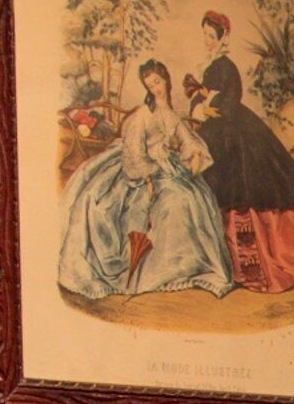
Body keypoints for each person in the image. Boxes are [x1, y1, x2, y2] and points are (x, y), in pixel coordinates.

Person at [55, 60, 232, 301]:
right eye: (150, 86)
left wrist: (194, 155)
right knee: (172, 203)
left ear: (166, 79)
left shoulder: (170, 114)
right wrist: (149, 178)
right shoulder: (142, 115)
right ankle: (158, 273)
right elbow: (134, 154)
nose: (156, 89)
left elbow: (187, 139)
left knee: (191, 197)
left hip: (168, 169)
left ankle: (189, 267)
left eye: (158, 82)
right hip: (142, 172)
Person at [187, 9, 294, 292]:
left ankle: (250, 265)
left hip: (233, 132)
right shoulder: (210, 65)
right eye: (205, 35)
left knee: (242, 188)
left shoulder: (227, 66)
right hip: (215, 131)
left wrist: (208, 107)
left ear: (223, 37)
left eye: (211, 36)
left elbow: (230, 100)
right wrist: (200, 105)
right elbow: (198, 98)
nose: (207, 40)